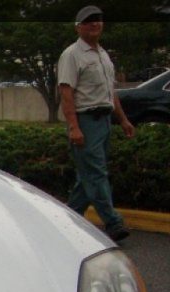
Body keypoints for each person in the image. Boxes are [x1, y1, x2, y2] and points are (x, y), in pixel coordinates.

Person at [57, 5, 135, 242]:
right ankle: (113, 222)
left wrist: (122, 119)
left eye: (98, 20)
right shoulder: (71, 54)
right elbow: (66, 91)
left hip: (103, 121)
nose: (95, 23)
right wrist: (74, 126)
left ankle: (67, 221)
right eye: (89, 20)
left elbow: (110, 92)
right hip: (85, 120)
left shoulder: (103, 55)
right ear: (78, 27)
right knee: (96, 173)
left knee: (88, 177)